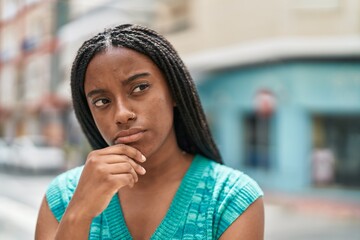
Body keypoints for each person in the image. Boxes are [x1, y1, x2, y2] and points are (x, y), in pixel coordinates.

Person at [35, 24, 264, 240]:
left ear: (174, 91)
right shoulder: (63, 198)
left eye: (140, 88)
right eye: (102, 101)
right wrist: (78, 215)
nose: (122, 114)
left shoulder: (231, 200)